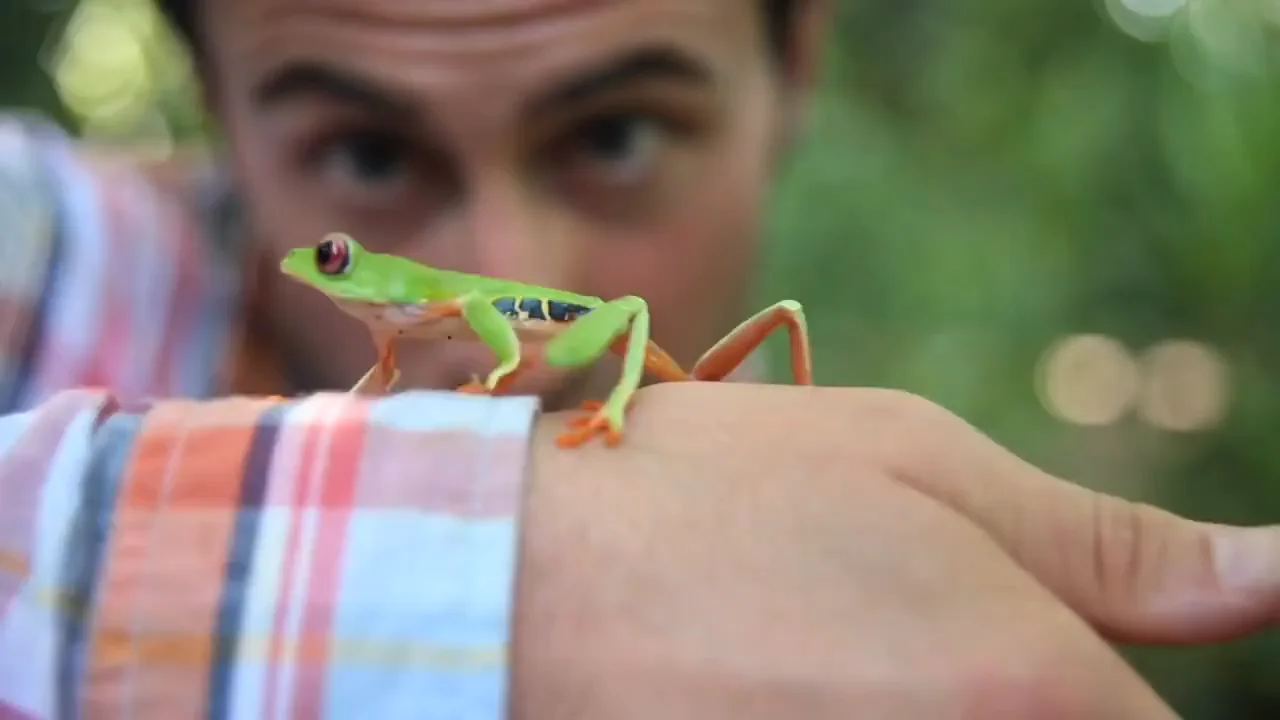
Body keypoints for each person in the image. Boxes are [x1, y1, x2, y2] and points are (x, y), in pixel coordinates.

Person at [0, 0, 1275, 717]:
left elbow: (506, 335)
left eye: (613, 134)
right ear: (216, 106)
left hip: (618, 364)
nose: (504, 239)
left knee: (695, 327)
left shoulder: (462, 307)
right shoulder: (45, 237)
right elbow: (415, 368)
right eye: (371, 157)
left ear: (794, 77)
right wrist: (468, 556)